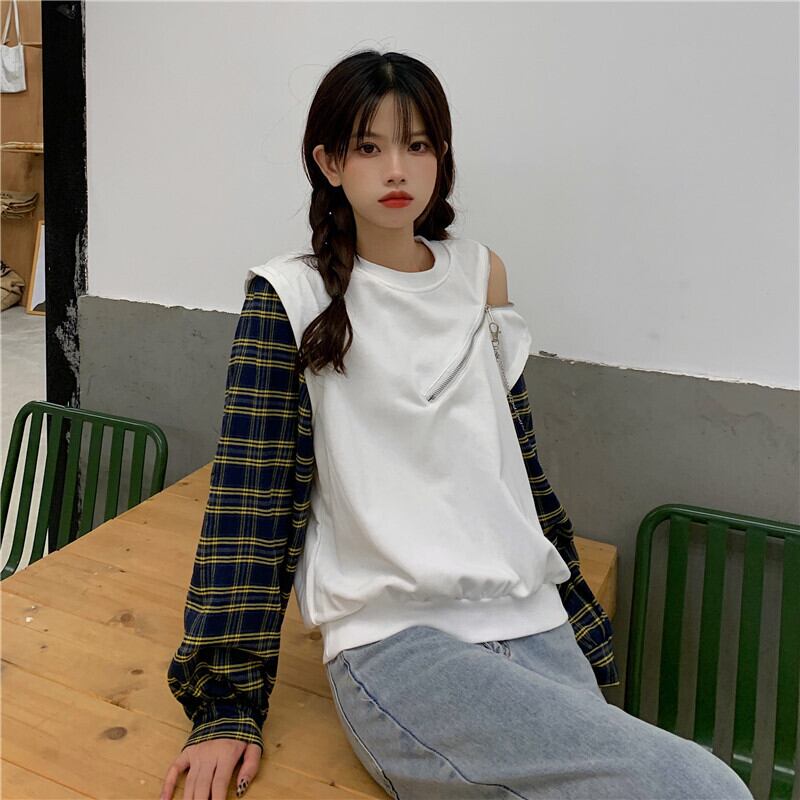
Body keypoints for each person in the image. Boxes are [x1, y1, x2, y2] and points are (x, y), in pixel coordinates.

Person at [159, 50, 754, 800]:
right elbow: (251, 505)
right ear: (329, 162)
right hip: (396, 643)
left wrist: (576, 613)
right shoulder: (290, 297)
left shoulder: (481, 275)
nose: (396, 170)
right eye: (368, 147)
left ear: (441, 155)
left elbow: (515, 464)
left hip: (532, 622)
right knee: (705, 787)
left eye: (417, 145)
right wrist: (225, 707)